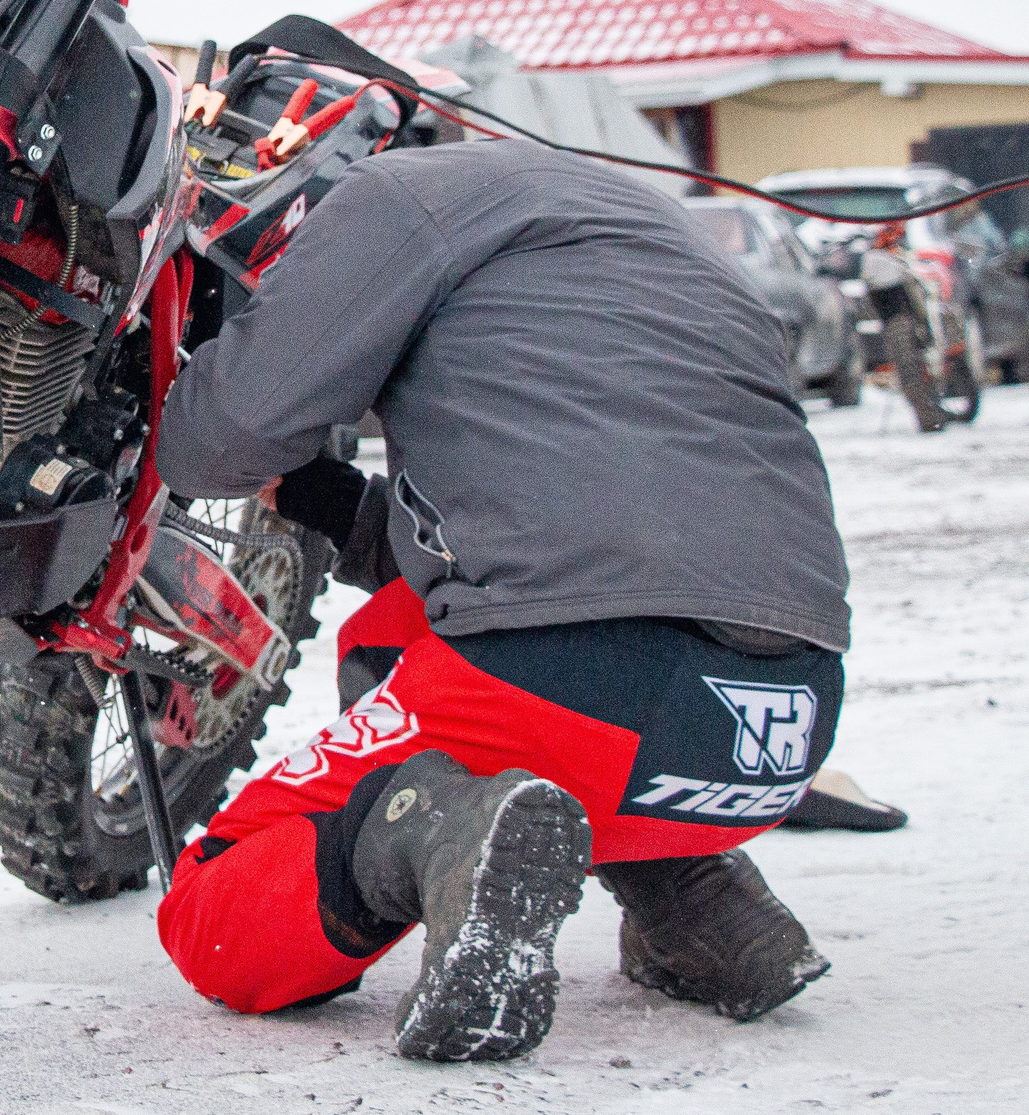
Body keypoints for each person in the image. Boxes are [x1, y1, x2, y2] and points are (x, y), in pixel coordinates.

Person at [154, 138, 848, 1063]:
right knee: (414, 628)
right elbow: (577, 533)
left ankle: (439, 829)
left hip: (566, 690)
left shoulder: (392, 199)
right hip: (779, 728)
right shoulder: (657, 225)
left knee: (206, 911)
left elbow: (211, 441)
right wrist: (323, 497)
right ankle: (697, 899)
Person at [859, 221, 947, 432]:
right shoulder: (877, 260)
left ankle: (933, 413)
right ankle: (927, 418)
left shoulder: (898, 255)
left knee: (921, 370)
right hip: (897, 321)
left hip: (910, 320)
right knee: (910, 373)